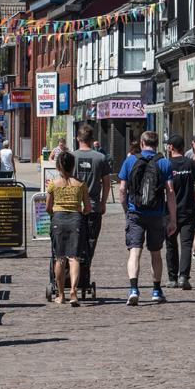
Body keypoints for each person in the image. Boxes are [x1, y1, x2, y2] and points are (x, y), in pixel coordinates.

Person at [118, 130, 177, 305]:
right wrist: (172, 219)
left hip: (135, 212)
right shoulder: (164, 163)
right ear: (157, 144)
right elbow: (171, 192)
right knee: (156, 253)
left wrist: (126, 210)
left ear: (142, 144)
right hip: (156, 213)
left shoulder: (130, 161)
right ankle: (157, 290)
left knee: (134, 251)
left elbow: (122, 190)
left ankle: (133, 289)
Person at [46, 149, 92, 306]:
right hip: (76, 220)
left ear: (59, 166)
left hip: (58, 219)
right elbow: (88, 208)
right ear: (73, 166)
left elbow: (48, 207)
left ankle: (60, 294)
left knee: (59, 258)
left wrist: (56, 212)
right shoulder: (80, 184)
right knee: (74, 258)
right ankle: (73, 291)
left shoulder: (53, 184)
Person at [71, 125, 111, 293]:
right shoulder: (101, 158)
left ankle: (76, 275)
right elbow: (107, 183)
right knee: (91, 242)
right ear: (92, 138)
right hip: (94, 207)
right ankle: (85, 273)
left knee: (75, 243)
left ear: (78, 139)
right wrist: (103, 202)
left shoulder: (71, 157)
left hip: (74, 207)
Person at [161, 136, 195, 289]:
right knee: (187, 244)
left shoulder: (165, 164)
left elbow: (163, 188)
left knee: (171, 245)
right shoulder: (191, 163)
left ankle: (172, 278)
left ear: (171, 147)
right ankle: (184, 277)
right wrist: (192, 198)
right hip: (188, 209)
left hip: (169, 211)